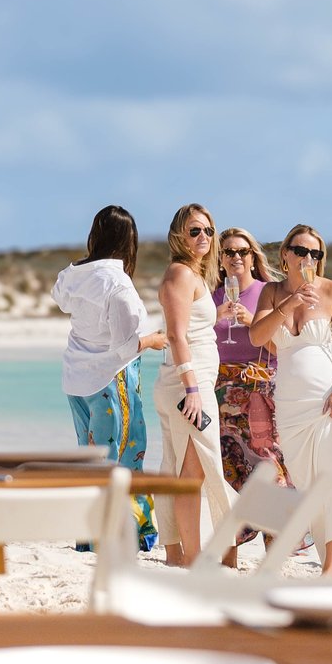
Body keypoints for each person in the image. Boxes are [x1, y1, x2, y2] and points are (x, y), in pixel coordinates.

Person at [248, 223, 332, 576]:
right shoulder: (272, 293)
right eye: (300, 251)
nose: (308, 258)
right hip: (290, 405)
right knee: (310, 485)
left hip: (329, 400)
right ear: (285, 254)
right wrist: (291, 301)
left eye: (315, 253)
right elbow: (258, 336)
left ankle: (331, 569)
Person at [52, 205, 168, 551]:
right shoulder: (118, 285)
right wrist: (154, 340)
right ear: (129, 241)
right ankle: (127, 535)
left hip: (76, 379)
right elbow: (124, 347)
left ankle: (89, 536)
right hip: (109, 380)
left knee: (92, 460)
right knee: (124, 457)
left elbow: (59, 299)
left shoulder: (73, 274)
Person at [152, 204, 237, 566]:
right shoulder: (180, 274)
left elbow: (191, 327)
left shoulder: (195, 276)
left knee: (179, 469)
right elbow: (174, 333)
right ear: (178, 236)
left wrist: (218, 316)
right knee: (193, 474)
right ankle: (191, 555)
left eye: (208, 231)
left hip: (190, 381)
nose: (203, 237)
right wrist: (192, 389)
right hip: (188, 386)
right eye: (194, 231)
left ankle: (176, 552)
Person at [211, 227, 289, 495]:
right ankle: (250, 522)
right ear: (219, 259)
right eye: (229, 252)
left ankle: (284, 533)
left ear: (253, 258)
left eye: (243, 251)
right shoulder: (211, 297)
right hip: (222, 392)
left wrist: (252, 322)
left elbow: (282, 348)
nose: (236, 257)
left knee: (269, 462)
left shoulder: (268, 292)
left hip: (259, 389)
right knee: (232, 463)